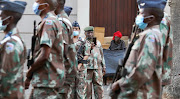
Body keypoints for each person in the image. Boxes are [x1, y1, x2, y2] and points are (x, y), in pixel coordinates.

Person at [111, 0, 167, 98]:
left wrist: (122, 85)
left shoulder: (150, 36)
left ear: (150, 18)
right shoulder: (150, 34)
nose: (138, 16)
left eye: (141, 13)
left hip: (143, 93)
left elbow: (143, 69)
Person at [25, 0, 65, 98]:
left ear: (45, 6)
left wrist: (29, 73)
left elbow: (44, 55)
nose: (35, 4)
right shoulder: (52, 20)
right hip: (47, 80)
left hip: (46, 80)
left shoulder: (49, 22)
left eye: (38, 2)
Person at [0, 1, 27, 98]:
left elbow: (7, 77)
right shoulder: (12, 39)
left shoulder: (11, 44)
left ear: (9, 19)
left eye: (1, 16)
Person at [54, 0, 78, 98]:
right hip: (66, 72)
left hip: (62, 74)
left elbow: (61, 51)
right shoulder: (64, 21)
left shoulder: (61, 23)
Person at [85, 26, 106, 99]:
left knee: (99, 87)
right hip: (88, 68)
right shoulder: (83, 43)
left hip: (98, 67)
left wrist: (104, 66)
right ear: (85, 33)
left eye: (91, 32)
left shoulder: (98, 43)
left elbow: (102, 55)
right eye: (88, 33)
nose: (90, 34)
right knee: (87, 88)